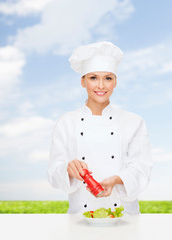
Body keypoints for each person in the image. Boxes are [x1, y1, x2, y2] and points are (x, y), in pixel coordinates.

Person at [47, 41, 153, 214]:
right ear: (83, 81)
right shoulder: (66, 122)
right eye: (93, 78)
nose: (101, 86)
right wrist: (68, 169)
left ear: (115, 82)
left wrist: (116, 180)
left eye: (108, 78)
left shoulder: (134, 122)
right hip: (80, 217)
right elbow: (53, 174)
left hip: (124, 217)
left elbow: (142, 169)